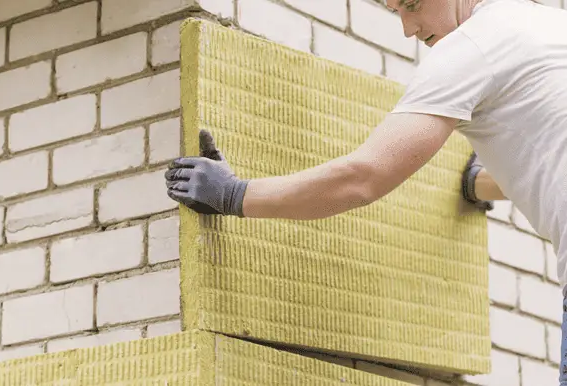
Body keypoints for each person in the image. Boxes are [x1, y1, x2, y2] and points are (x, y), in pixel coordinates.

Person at [164, 0, 567, 383]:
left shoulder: (471, 48)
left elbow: (364, 177)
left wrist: (234, 195)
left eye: (412, 5)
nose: (410, 29)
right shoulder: (548, 27)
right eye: (395, 12)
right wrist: (479, 185)